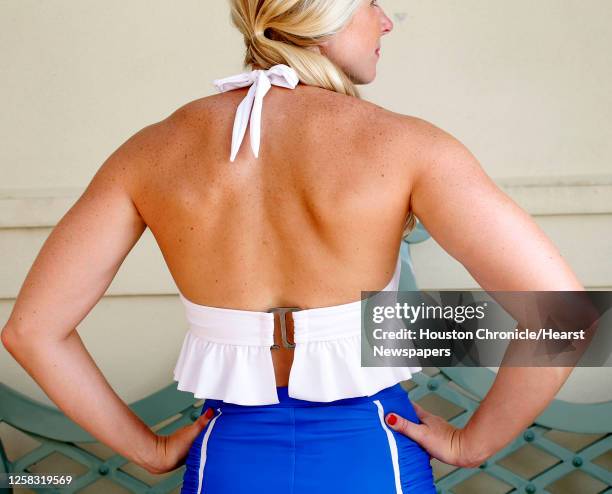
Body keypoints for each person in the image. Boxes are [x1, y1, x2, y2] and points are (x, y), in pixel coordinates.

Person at [1, 0, 585, 493]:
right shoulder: (408, 146)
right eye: (370, 2)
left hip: (226, 457)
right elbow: (564, 314)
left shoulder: (150, 152)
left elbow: (30, 330)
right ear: (321, 14)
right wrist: (471, 441)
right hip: (370, 451)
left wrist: (149, 450)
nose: (385, 21)